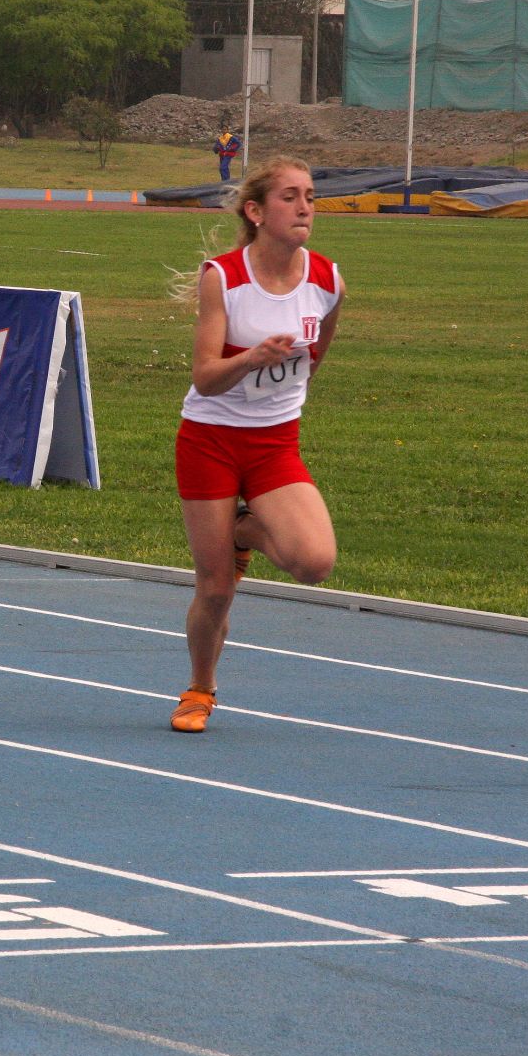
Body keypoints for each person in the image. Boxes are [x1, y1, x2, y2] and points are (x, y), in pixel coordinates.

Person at [169, 156, 343, 734]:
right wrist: (251, 359)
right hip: (210, 440)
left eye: (311, 197)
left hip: (274, 443)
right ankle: (199, 688)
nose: (304, 208)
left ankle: (243, 529)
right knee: (215, 587)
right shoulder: (223, 277)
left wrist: (282, 390)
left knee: (315, 561)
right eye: (290, 197)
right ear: (256, 211)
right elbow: (203, 376)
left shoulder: (328, 279)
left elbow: (316, 357)